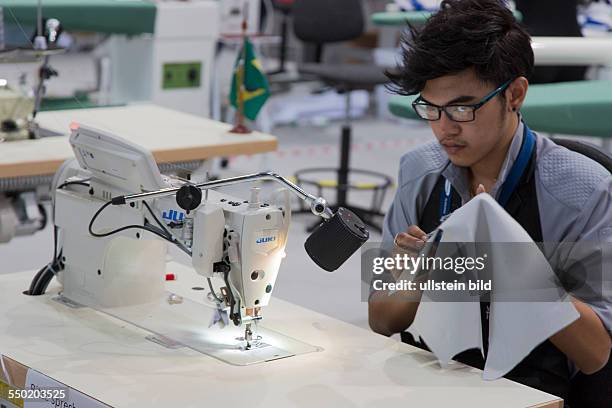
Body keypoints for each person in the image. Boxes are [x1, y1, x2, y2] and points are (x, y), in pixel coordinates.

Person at [368, 0, 612, 403]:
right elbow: (380, 318)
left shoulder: (582, 191)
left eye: (463, 108)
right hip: (434, 383)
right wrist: (420, 274)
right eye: (431, 108)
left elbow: (596, 354)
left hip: (532, 393)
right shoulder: (420, 172)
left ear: (514, 94)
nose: (445, 130)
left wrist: (518, 265)